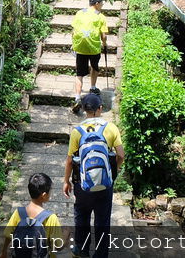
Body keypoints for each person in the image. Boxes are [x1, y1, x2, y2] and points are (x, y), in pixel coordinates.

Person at [62, 93, 125, 258]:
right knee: (102, 220)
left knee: (81, 215)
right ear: (100, 109)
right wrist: (113, 171)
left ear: (83, 109)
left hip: (82, 184)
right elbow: (121, 155)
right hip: (105, 183)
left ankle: (82, 250)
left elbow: (69, 160)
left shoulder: (77, 131)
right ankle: (101, 253)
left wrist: (66, 181)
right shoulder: (111, 128)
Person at [0, 173, 64, 257]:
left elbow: (8, 235)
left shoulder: (18, 212)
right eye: (50, 191)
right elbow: (58, 246)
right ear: (44, 195)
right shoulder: (51, 218)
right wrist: (66, 235)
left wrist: (3, 252)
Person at [70, 0, 108, 115]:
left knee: (79, 74)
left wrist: (74, 44)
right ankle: (92, 87)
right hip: (93, 48)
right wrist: (104, 43)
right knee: (95, 67)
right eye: (101, 3)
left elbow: (73, 30)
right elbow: (104, 35)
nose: (102, 5)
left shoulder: (79, 13)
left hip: (80, 47)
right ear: (97, 3)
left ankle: (77, 97)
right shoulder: (101, 17)